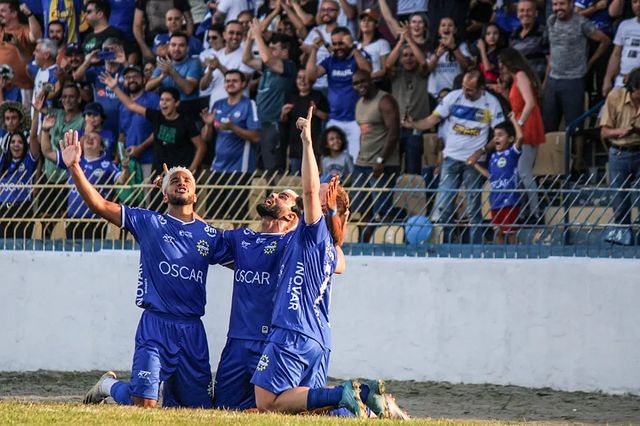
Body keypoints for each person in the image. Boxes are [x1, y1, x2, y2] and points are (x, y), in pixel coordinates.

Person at [56, 128, 230, 407]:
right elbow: (99, 204)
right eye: (174, 180)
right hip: (156, 325)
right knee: (143, 405)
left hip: (192, 331)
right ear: (163, 195)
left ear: (195, 195)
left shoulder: (209, 235)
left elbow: (243, 265)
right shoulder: (149, 222)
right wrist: (75, 166)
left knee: (197, 410)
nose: (181, 182)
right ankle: (109, 386)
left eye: (187, 180)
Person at [250, 105, 388, 418]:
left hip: (294, 331)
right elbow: (342, 260)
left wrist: (308, 142)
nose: (316, 185)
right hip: (319, 340)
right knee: (310, 410)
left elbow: (311, 191)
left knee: (267, 402)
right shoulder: (330, 248)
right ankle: (360, 411)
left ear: (324, 204)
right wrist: (338, 213)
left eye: (325, 186)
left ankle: (353, 392)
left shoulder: (314, 234)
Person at [403, 70, 505, 244]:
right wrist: (413, 124)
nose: (465, 92)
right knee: (444, 205)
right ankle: (447, 244)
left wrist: (481, 151)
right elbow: (431, 120)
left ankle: (475, 247)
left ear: (481, 88)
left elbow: (499, 135)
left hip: (474, 163)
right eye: (464, 87)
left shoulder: (491, 103)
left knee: (473, 207)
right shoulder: (453, 97)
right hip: (451, 159)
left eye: (470, 90)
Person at [543, 0, 610, 174]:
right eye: (555, 4)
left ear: (571, 4)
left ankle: (578, 162)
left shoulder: (581, 22)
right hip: (553, 79)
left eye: (562, 4)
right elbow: (551, 50)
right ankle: (551, 166)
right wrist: (546, 79)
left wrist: (590, 63)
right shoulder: (551, 20)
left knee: (576, 124)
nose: (558, 8)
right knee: (549, 124)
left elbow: (604, 41)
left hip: (574, 79)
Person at [101, 75, 205, 179]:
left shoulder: (185, 122)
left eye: (168, 100)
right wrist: (115, 88)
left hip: (180, 175)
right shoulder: (157, 116)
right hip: (159, 173)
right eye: (162, 100)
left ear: (176, 103)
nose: (163, 103)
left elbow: (201, 146)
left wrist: (191, 170)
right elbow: (131, 105)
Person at [40, 119, 128, 239]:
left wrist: (125, 166)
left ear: (102, 147)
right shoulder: (72, 159)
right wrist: (45, 130)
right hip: (73, 219)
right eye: (87, 137)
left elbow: (121, 180)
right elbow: (47, 152)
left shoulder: (107, 164)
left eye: (94, 138)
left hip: (95, 221)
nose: (89, 139)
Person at [306, 26, 372, 162]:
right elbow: (311, 76)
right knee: (333, 161)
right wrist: (314, 50)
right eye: (334, 44)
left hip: (356, 120)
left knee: (355, 161)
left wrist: (353, 48)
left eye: (341, 43)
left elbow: (367, 72)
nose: (337, 47)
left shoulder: (358, 56)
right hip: (335, 120)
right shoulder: (330, 60)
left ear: (349, 42)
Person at [200, 69, 260, 219]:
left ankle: (240, 243)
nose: (230, 84)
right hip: (217, 168)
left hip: (240, 169)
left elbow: (256, 136)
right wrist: (207, 125)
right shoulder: (218, 104)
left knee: (239, 216)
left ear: (243, 84)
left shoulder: (249, 104)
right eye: (227, 81)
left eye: (234, 81)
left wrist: (233, 127)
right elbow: (206, 138)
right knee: (213, 216)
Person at [243, 19, 296, 174]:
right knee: (261, 168)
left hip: (274, 123)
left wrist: (258, 35)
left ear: (285, 53)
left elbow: (267, 58)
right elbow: (246, 59)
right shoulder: (268, 67)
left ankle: (276, 197)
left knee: (274, 168)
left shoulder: (288, 66)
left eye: (274, 48)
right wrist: (249, 38)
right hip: (261, 122)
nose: (268, 49)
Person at [498, 48, 545, 222]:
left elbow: (530, 103)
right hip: (522, 125)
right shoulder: (517, 78)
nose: (500, 68)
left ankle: (535, 213)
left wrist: (520, 123)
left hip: (527, 126)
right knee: (519, 173)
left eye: (502, 64)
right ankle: (525, 211)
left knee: (524, 172)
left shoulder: (521, 76)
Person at [351, 69, 401, 229]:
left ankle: (382, 244)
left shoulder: (385, 100)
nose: (360, 86)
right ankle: (364, 243)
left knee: (382, 211)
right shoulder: (359, 103)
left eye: (363, 81)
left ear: (371, 80)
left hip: (381, 165)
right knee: (360, 209)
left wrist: (381, 160)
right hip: (362, 163)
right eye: (355, 83)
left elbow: (394, 132)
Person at [599, 67, 640, 244]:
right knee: (619, 197)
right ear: (634, 88)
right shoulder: (615, 97)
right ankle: (623, 234)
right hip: (619, 151)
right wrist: (621, 131)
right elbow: (604, 132)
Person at [471, 113, 525, 245]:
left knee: (510, 232)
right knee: (498, 232)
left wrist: (513, 120)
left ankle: (515, 257)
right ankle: (500, 257)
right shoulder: (493, 156)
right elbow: (490, 175)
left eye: (500, 135)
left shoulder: (512, 153)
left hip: (509, 200)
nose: (496, 138)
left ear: (511, 138)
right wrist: (474, 164)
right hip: (495, 200)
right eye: (495, 135)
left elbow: (521, 137)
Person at [385, 28, 429, 175]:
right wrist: (401, 42)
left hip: (416, 126)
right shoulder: (396, 74)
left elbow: (423, 62)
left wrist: (409, 39)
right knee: (393, 169)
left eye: (411, 55)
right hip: (396, 127)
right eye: (405, 55)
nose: (409, 58)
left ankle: (412, 198)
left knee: (413, 169)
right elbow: (387, 66)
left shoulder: (422, 74)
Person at [280, 69, 329, 175]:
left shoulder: (318, 96)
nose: (302, 81)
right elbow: (284, 121)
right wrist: (283, 113)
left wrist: (316, 112)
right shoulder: (291, 96)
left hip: (313, 144)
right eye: (299, 77)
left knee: (312, 177)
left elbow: (326, 117)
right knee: (295, 180)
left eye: (305, 78)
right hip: (295, 145)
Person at [146, 32, 203, 116]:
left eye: (181, 45)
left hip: (187, 111)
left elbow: (188, 89)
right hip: (167, 111)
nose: (176, 49)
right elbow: (148, 87)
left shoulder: (194, 63)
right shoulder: (164, 63)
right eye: (173, 45)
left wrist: (172, 72)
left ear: (187, 48)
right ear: (168, 47)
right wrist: (161, 76)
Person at [117, 64, 158, 180]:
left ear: (144, 79)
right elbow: (121, 135)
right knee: (129, 197)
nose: (131, 80)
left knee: (148, 197)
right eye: (127, 78)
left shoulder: (153, 98)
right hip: (128, 164)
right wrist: (120, 158)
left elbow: (159, 128)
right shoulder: (122, 105)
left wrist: (141, 148)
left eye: (135, 76)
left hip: (149, 159)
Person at [200, 20, 253, 109]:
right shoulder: (217, 55)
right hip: (215, 108)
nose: (235, 37)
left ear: (243, 35)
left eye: (238, 33)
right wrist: (210, 71)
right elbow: (203, 86)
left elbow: (244, 82)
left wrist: (220, 66)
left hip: (237, 109)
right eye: (231, 33)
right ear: (224, 35)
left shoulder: (247, 56)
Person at [0, 131, 39, 239]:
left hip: (22, 209)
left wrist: (36, 116)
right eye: (13, 142)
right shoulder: (3, 161)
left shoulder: (28, 161)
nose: (16, 144)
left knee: (20, 246)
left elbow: (34, 138)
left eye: (20, 142)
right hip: (2, 210)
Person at [426, 17, 472, 104]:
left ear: (455, 30)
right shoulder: (431, 47)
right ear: (439, 30)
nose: (446, 28)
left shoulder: (461, 46)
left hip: (455, 93)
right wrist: (437, 55)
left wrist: (454, 47)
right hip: (434, 96)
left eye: (450, 25)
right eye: (443, 25)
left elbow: (467, 65)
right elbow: (426, 70)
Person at [0, 0, 42, 90]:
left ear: (14, 13)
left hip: (22, 89)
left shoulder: (23, 30)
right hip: (2, 89)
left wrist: (29, 15)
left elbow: (37, 37)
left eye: (3, 11)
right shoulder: (1, 30)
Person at [602, 0, 640, 97]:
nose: (638, 5)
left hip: (637, 86)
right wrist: (607, 79)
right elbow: (616, 54)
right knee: (606, 111)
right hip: (621, 82)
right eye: (634, 2)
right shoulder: (624, 25)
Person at [509, 0, 549, 82]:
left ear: (536, 13)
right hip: (518, 84)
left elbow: (551, 63)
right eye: (522, 10)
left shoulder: (544, 32)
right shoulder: (513, 35)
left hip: (538, 84)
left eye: (529, 10)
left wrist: (545, 85)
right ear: (517, 14)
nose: (525, 13)